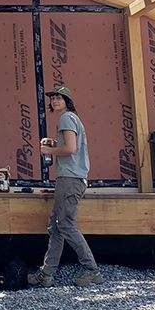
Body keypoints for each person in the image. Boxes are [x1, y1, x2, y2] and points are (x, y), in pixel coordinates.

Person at [28, 86, 103, 287]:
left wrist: (48, 150)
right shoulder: (72, 119)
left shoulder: (66, 118)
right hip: (71, 178)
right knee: (56, 226)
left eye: (59, 98)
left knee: (66, 224)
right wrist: (54, 143)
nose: (54, 101)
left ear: (67, 101)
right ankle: (47, 274)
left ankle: (92, 270)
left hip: (70, 179)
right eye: (53, 98)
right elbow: (71, 145)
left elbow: (70, 149)